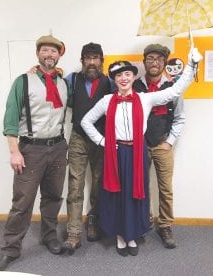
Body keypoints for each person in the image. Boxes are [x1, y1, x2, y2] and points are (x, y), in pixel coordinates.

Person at [80, 47, 202, 256]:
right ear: (115, 79)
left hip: (136, 153)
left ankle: (132, 234)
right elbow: (86, 121)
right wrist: (102, 141)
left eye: (128, 74)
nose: (124, 78)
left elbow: (174, 91)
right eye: (119, 75)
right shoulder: (108, 101)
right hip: (116, 153)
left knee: (136, 195)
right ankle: (120, 235)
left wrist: (191, 66)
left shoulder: (145, 99)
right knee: (117, 195)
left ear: (133, 76)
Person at [0, 35, 70, 271]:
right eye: (45, 50)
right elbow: (11, 120)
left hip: (58, 147)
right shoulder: (22, 81)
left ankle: (49, 236)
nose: (49, 54)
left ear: (59, 55)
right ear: (38, 54)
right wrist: (15, 152)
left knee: (53, 197)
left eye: (53, 51)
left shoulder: (64, 82)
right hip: (31, 149)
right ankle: (10, 249)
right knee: (22, 202)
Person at [133, 44, 185, 249]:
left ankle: (165, 225)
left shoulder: (174, 87)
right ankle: (144, 221)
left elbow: (180, 118)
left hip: (162, 143)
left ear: (164, 63)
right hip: (139, 145)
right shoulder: (134, 85)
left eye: (159, 59)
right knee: (141, 186)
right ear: (145, 61)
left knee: (165, 188)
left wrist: (169, 141)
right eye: (150, 58)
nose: (154, 63)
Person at [63, 43, 111, 253]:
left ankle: (94, 220)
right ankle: (73, 233)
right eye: (88, 58)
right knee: (75, 186)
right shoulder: (71, 80)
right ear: (82, 60)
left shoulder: (110, 82)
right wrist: (36, 71)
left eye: (96, 58)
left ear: (102, 60)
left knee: (99, 183)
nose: (92, 62)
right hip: (78, 138)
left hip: (101, 139)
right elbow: (52, 84)